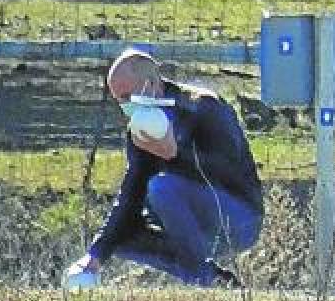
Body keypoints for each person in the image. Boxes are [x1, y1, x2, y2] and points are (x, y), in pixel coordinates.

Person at [63, 48, 264, 288]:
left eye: (127, 96)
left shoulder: (204, 107)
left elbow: (232, 173)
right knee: (122, 237)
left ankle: (203, 278)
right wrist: (95, 255)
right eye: (119, 100)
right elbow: (132, 193)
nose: (125, 107)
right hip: (187, 224)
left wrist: (176, 154)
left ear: (150, 84)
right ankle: (215, 280)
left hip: (239, 217)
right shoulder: (139, 129)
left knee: (161, 188)